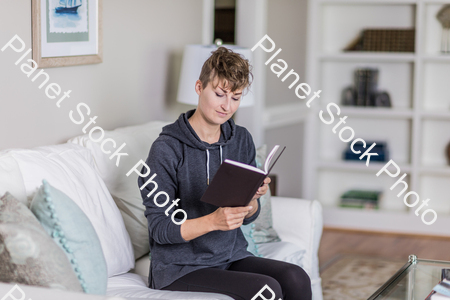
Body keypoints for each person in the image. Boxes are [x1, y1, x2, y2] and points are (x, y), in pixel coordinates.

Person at [138, 47, 312, 300]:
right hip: (179, 268)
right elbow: (160, 229)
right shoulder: (166, 149)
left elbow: (249, 216)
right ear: (199, 87)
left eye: (236, 97)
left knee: (296, 276)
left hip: (231, 256)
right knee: (267, 290)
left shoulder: (240, 139)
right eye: (219, 94)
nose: (227, 106)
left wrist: (252, 200)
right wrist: (213, 221)